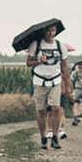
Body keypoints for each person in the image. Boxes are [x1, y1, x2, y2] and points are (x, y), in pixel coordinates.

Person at [23, 23, 72, 151]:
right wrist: (39, 61)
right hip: (40, 81)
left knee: (56, 108)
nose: (51, 33)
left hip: (55, 80)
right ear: (44, 31)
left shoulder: (60, 46)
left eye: (53, 30)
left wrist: (67, 85)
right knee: (41, 111)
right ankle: (43, 137)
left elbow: (65, 66)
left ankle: (55, 137)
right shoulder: (36, 45)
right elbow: (28, 63)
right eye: (49, 31)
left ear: (56, 31)